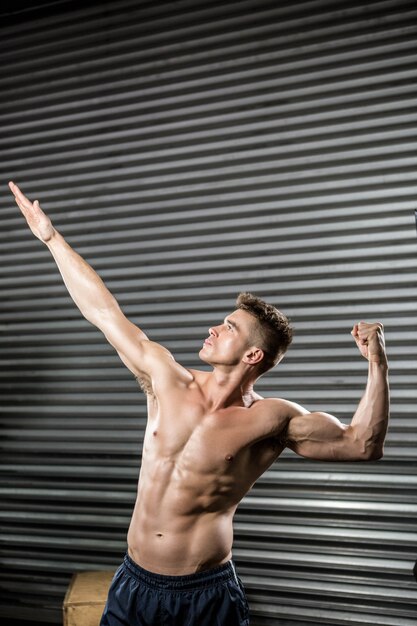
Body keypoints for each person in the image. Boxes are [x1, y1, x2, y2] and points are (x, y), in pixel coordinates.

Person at [9, 181, 389, 626]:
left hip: (205, 595)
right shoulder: (167, 377)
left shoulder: (272, 418)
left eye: (228, 327)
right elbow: (104, 312)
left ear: (253, 355)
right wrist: (52, 239)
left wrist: (378, 363)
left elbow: (362, 444)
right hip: (134, 582)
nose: (213, 328)